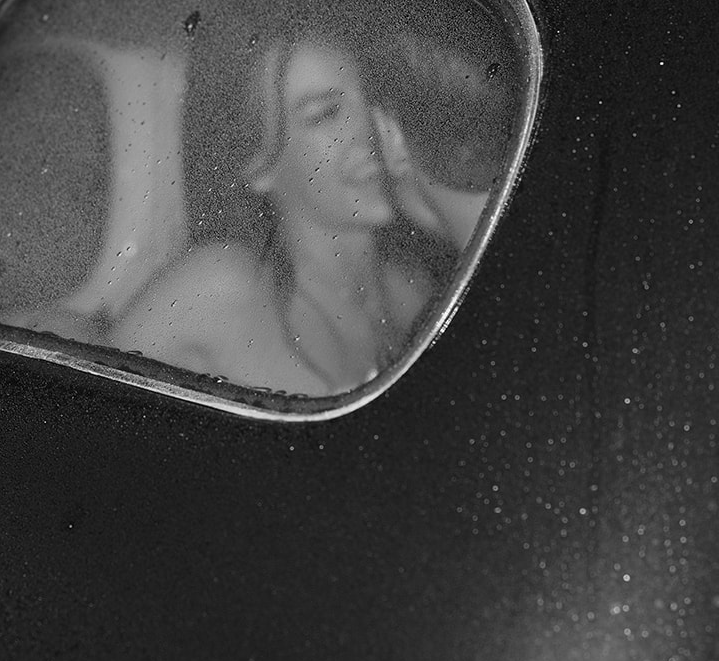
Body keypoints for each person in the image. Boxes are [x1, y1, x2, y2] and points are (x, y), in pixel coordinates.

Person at [109, 29, 491, 397]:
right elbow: (79, 402)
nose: (368, 130)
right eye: (326, 114)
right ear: (260, 168)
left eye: (372, 101)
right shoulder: (221, 291)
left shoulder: (415, 296)